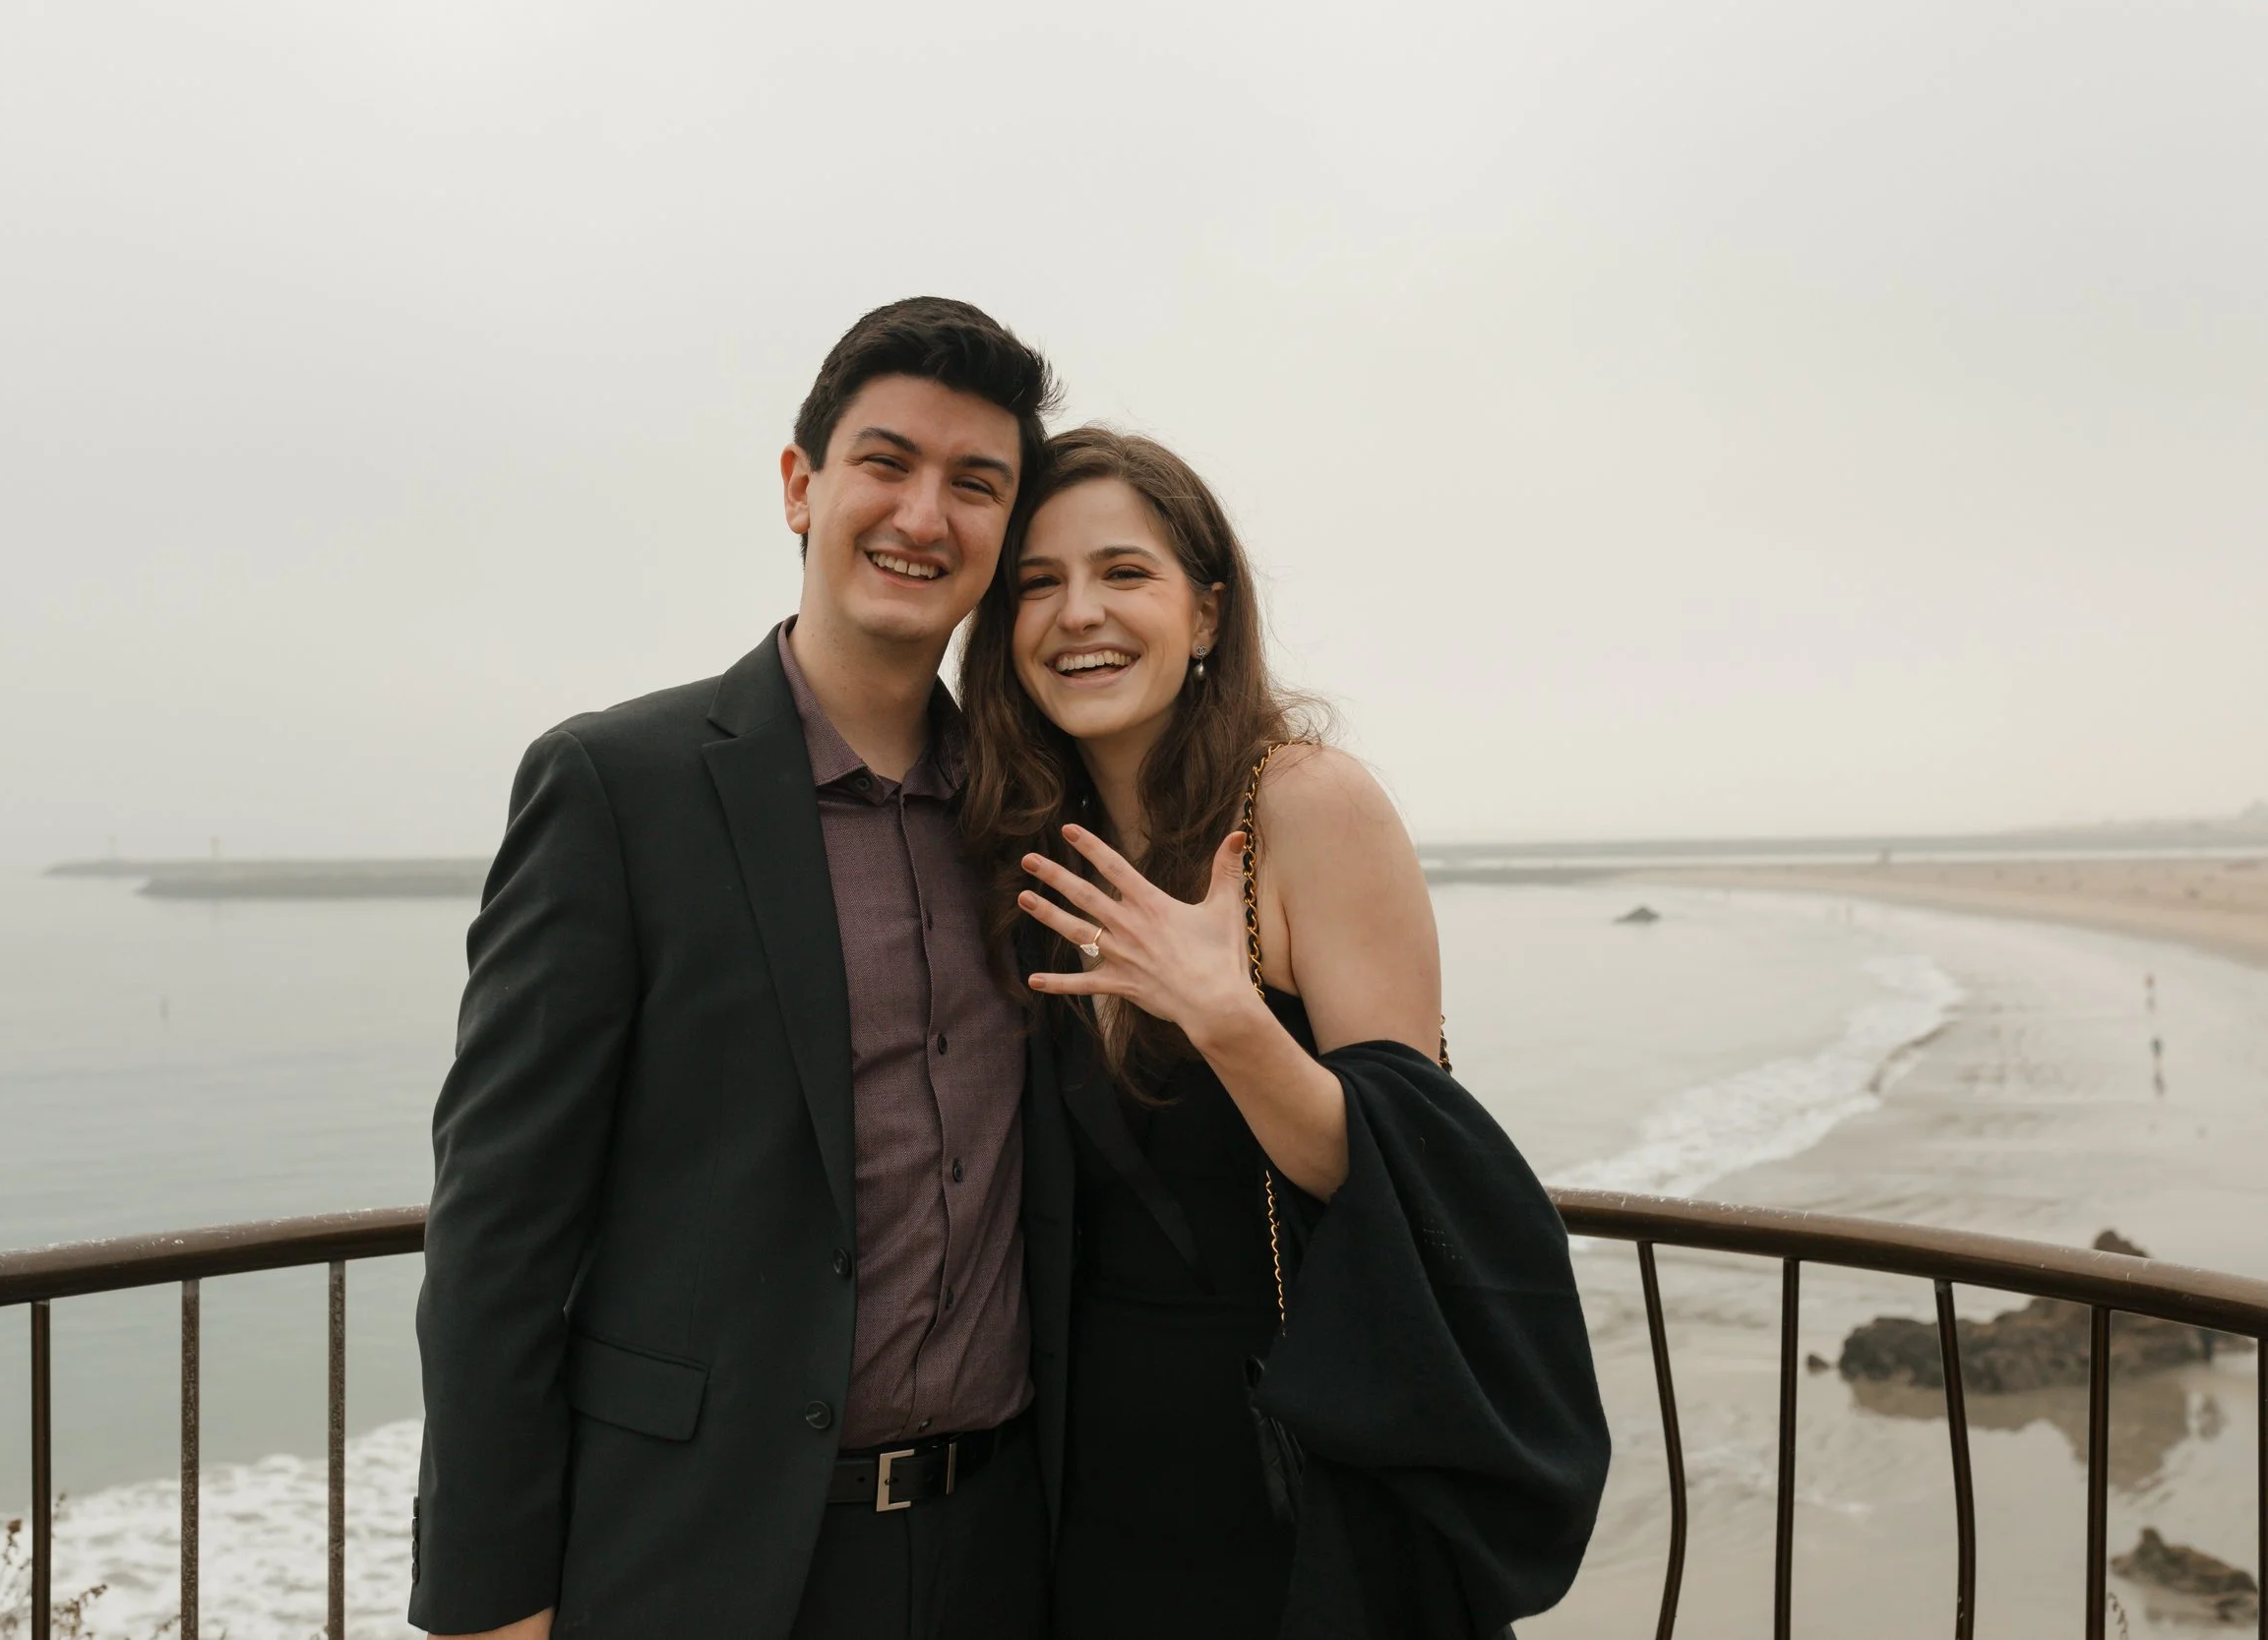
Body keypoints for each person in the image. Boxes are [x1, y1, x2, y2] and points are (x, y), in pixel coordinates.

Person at [410, 298, 1076, 1640]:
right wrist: (489, 1599)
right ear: (800, 485)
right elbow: (500, 1223)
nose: (922, 514)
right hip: (704, 1556)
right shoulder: (616, 784)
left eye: (975, 484)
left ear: (1004, 534)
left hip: (1002, 1550)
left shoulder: (1039, 813)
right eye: (885, 462)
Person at [958, 428, 1611, 1639]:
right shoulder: (1026, 848)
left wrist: (1225, 1017)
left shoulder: (1304, 804)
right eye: (1036, 583)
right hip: (1084, 1485)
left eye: (1124, 572)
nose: (1077, 612)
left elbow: (1398, 1167)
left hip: (1295, 1467)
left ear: (1205, 614)